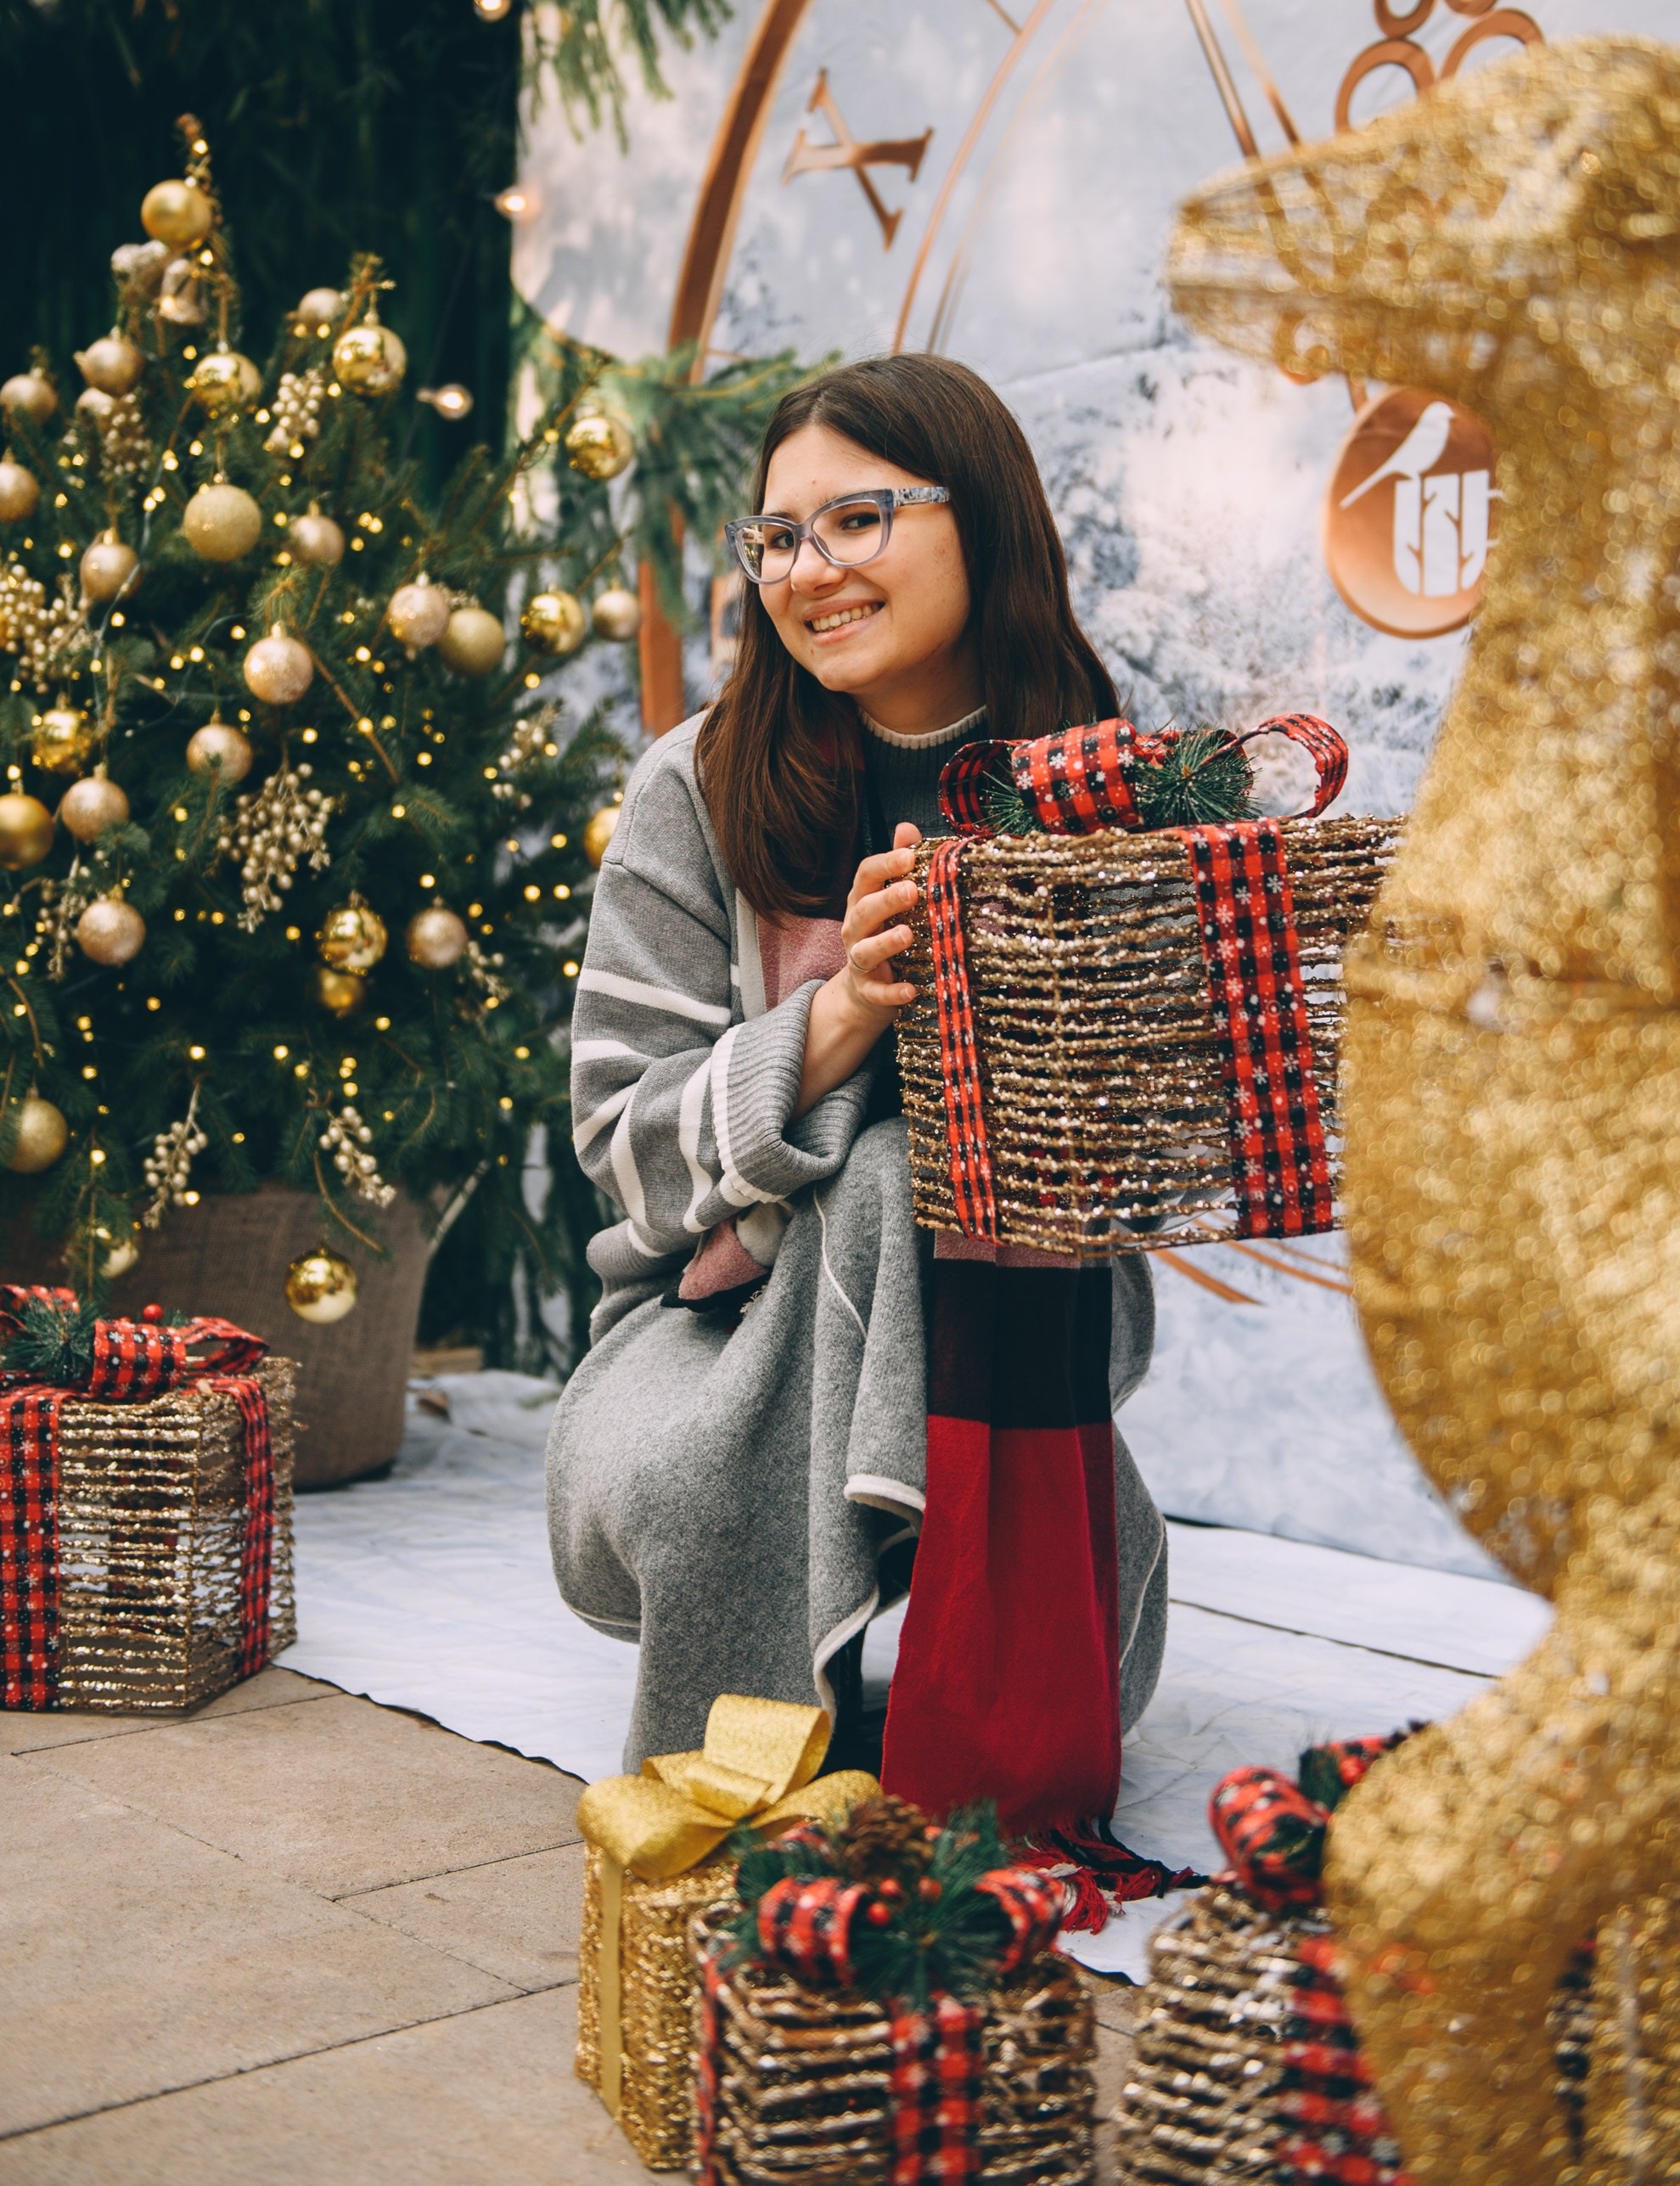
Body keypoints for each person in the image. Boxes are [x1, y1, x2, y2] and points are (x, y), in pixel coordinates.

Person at [546, 354, 1167, 1836]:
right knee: (880, 1170)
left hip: (1020, 1345)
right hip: (711, 1337)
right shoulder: (697, 787)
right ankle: (865, 1697)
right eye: (778, 538)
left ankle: (814, 1707)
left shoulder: (1104, 788)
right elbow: (622, 1154)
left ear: (985, 520)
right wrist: (835, 1023)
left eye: (860, 519)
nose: (808, 570)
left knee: (911, 1175)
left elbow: (1141, 1194)